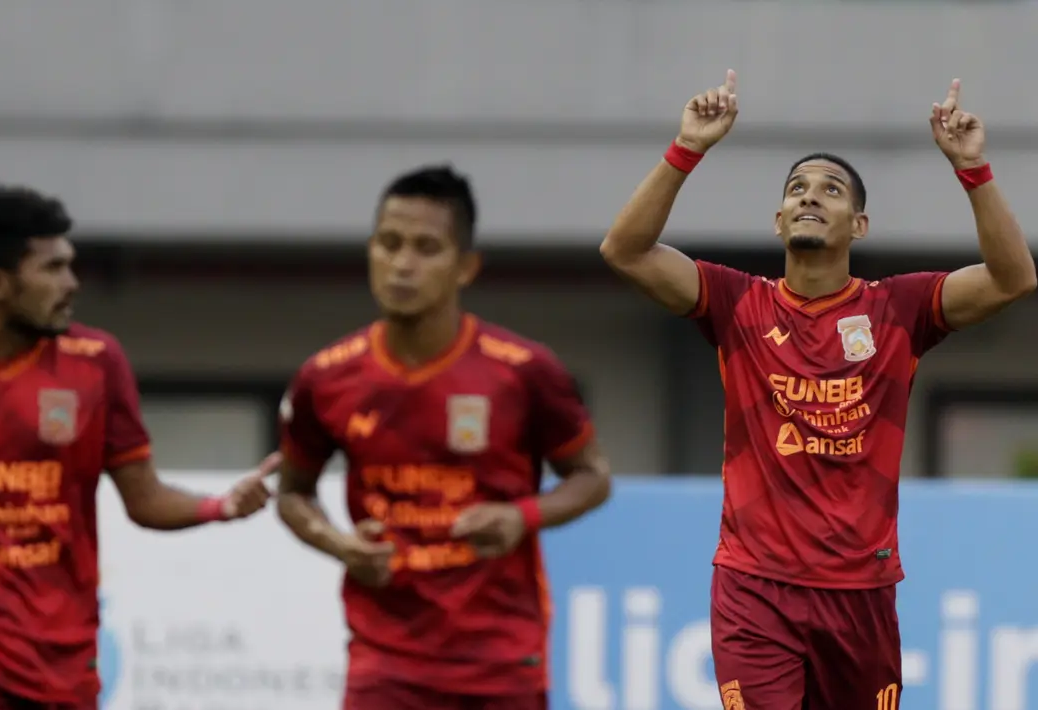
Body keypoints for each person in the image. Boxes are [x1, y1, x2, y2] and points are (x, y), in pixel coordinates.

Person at [600, 70, 1036, 709]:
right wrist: (686, 148)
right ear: (778, 220)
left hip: (860, 594)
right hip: (755, 588)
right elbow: (625, 251)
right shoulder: (736, 303)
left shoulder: (898, 309)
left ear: (859, 225)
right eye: (797, 189)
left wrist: (972, 169)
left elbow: (1013, 278)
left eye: (830, 190)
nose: (811, 197)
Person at [0, 185, 280, 709]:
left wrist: (220, 506)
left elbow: (143, 499)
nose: (71, 284)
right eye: (52, 269)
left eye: (69, 266)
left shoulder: (96, 362)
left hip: (62, 658)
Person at [276, 165, 612, 710]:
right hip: (384, 662)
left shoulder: (524, 371)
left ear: (465, 267)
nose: (402, 264)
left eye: (426, 248)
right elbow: (293, 492)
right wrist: (340, 545)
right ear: (370, 252)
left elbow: (593, 477)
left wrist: (518, 517)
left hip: (500, 660)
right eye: (390, 244)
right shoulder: (326, 377)